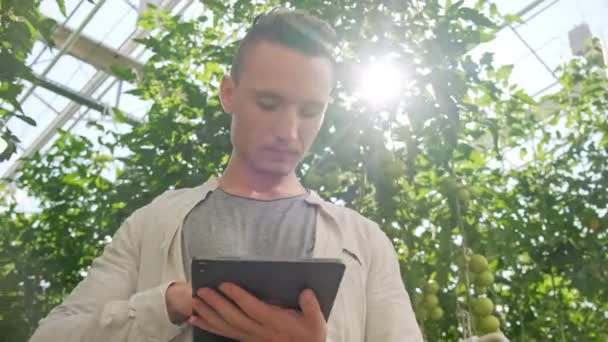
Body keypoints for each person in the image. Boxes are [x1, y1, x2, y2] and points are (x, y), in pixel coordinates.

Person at [29, 9, 422, 342]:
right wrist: (166, 305)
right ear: (229, 93)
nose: (289, 131)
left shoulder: (365, 244)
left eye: (309, 112)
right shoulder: (153, 223)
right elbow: (53, 335)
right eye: (268, 103)